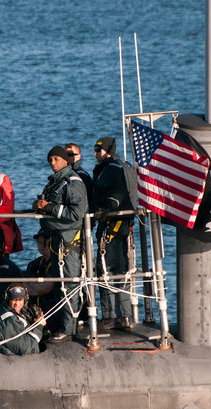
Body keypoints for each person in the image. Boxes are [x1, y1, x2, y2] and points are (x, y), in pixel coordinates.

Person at [32, 146, 88, 342]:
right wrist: (39, 206)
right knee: (59, 284)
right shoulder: (55, 182)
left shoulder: (73, 182)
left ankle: (69, 328)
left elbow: (76, 213)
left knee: (69, 284)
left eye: (56, 159)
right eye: (50, 160)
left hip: (69, 242)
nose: (52, 163)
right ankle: (60, 324)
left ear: (65, 161)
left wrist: (50, 207)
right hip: (57, 241)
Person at [91, 137, 138, 330]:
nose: (95, 153)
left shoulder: (111, 169)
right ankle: (124, 315)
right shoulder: (123, 167)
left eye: (98, 150)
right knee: (121, 269)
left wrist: (106, 208)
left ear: (107, 150)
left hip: (112, 226)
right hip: (122, 226)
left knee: (106, 268)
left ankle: (110, 316)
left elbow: (118, 192)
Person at [0, 284, 46, 356]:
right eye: (14, 300)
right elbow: (25, 348)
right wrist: (39, 326)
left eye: (20, 300)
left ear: (25, 300)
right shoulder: (8, 320)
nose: (17, 303)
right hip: (20, 361)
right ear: (8, 300)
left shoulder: (15, 311)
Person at [24, 230, 56, 313]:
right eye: (40, 242)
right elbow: (25, 288)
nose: (43, 246)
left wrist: (33, 286)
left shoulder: (59, 264)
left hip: (53, 310)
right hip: (34, 310)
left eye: (47, 243)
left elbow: (45, 288)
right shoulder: (33, 264)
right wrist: (37, 287)